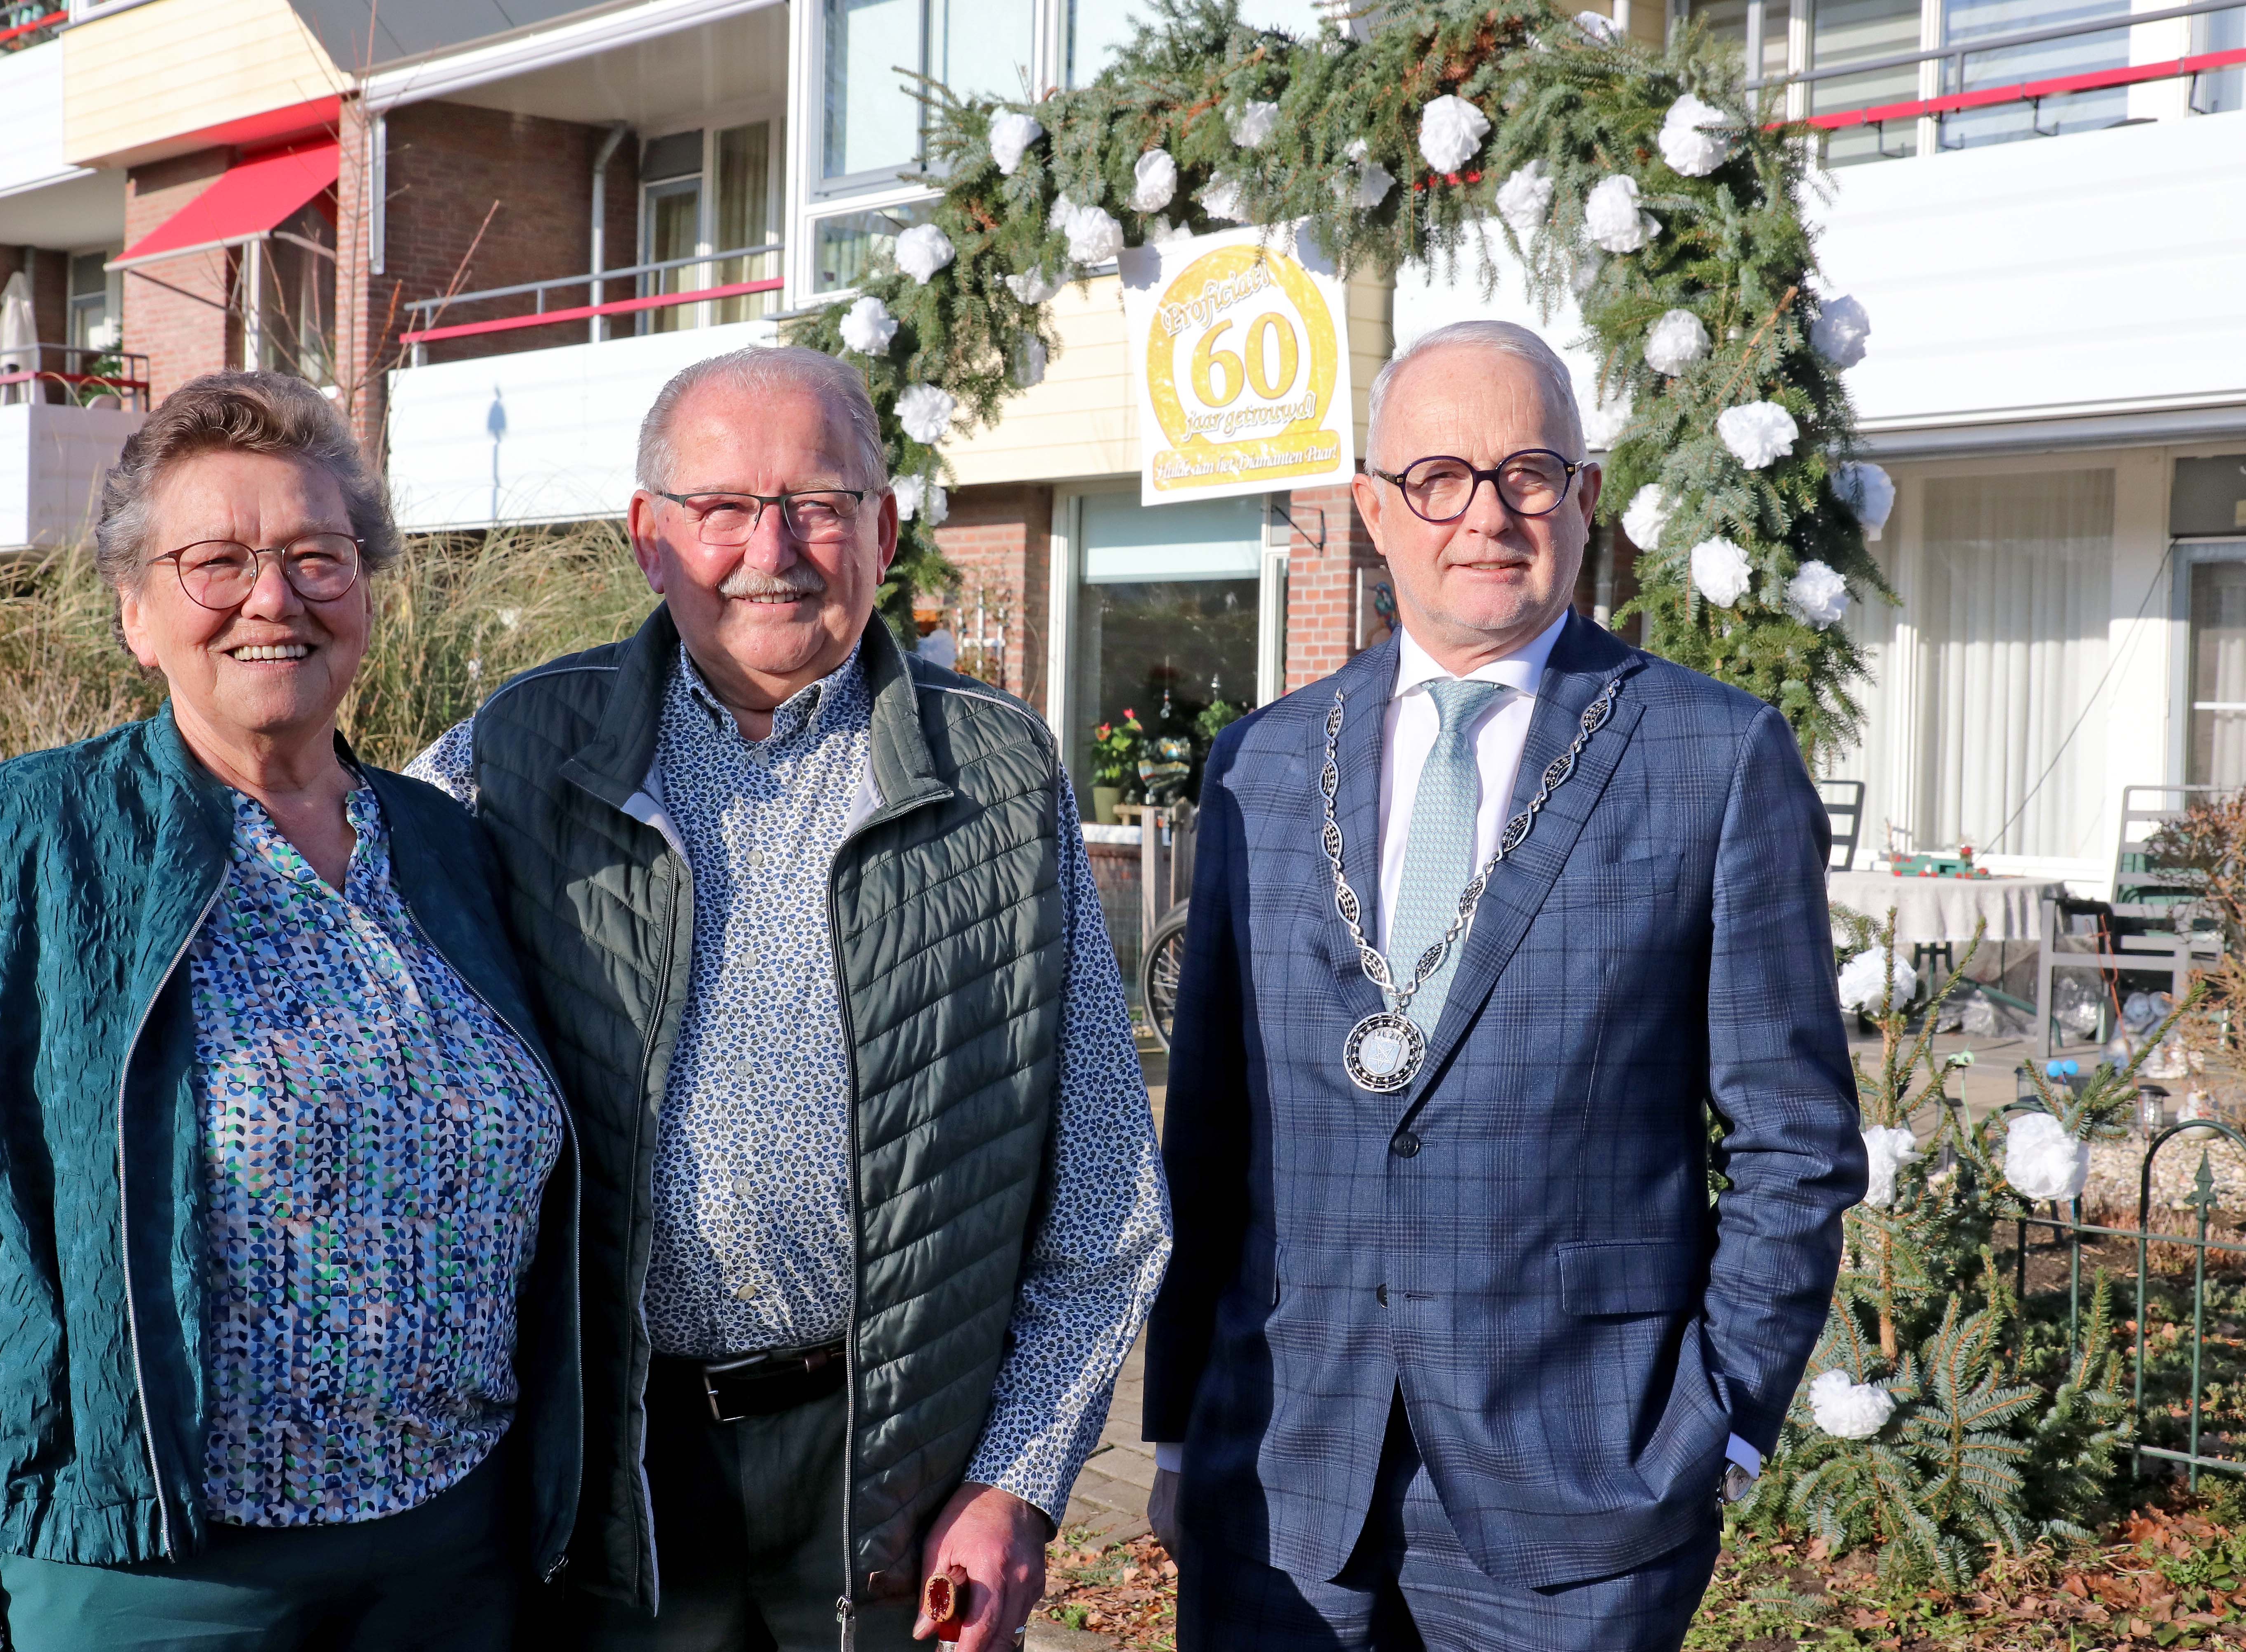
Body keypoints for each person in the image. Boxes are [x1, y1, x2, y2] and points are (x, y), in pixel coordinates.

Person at [0, 372, 583, 1651]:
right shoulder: (14, 848)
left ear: (366, 592)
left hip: (451, 1560)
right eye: (217, 561)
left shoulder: (449, 848)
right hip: (148, 1584)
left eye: (317, 557)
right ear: (136, 613)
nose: (275, 598)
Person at [404, 344, 1170, 1652]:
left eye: (818, 504)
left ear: (883, 529)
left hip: (899, 1479)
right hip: (612, 1476)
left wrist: (1018, 1484)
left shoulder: (1000, 773)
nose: (774, 550)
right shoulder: (513, 754)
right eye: (723, 508)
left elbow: (1103, 1192)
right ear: (649, 538)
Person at [1143, 320, 1866, 1651]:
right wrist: (1180, 1427)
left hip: (1584, 1499)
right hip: (1280, 1476)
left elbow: (1796, 1141)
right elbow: (1210, 1132)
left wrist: (1721, 1426)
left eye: (1527, 473)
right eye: (1438, 478)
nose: (1485, 515)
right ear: (1373, 508)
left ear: (1584, 497)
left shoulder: (1716, 759)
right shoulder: (1258, 765)